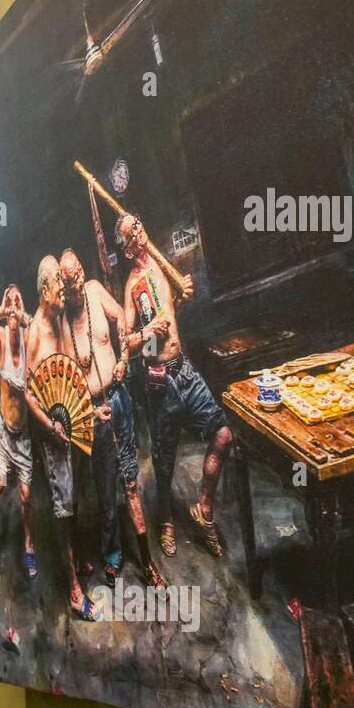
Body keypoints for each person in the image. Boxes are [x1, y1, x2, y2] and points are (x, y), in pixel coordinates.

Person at [116, 213, 232, 559]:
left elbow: (171, 311)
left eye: (138, 224)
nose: (139, 231)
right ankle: (166, 520)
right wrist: (148, 337)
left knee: (223, 435)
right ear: (125, 249)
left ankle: (204, 511)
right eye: (130, 232)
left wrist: (182, 297)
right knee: (164, 464)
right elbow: (127, 343)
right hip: (160, 384)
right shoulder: (132, 285)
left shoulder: (163, 266)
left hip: (186, 373)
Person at [59, 250, 165, 588]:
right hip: (93, 411)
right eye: (68, 278)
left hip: (118, 399)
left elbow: (122, 319)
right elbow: (61, 383)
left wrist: (122, 359)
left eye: (77, 272)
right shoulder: (60, 321)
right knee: (105, 489)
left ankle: (147, 562)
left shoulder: (94, 291)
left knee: (130, 481)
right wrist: (89, 411)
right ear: (60, 285)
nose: (76, 280)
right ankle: (113, 555)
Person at [25, 256, 99, 620]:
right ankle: (72, 590)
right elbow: (28, 391)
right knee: (62, 506)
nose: (62, 291)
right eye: (58, 285)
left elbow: (70, 376)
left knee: (75, 500)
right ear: (44, 291)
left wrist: (88, 411)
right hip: (51, 434)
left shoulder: (58, 319)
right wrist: (49, 426)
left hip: (71, 428)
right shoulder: (35, 332)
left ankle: (80, 557)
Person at [0, 285, 39, 579]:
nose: (12, 306)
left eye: (17, 300)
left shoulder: (27, 338)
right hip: (4, 431)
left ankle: (29, 545)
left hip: (23, 434)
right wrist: (3, 309)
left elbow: (38, 326)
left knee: (26, 497)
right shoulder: (0, 337)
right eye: (8, 300)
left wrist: (23, 314)